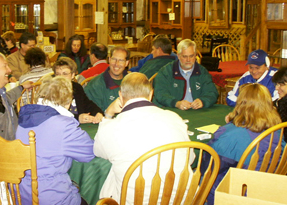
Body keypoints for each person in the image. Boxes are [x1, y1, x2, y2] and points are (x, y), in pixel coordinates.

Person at [94, 73, 193, 204]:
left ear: (120, 96)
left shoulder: (112, 127)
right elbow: (190, 158)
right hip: (183, 200)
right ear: (151, 94)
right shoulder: (174, 117)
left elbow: (98, 152)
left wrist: (108, 114)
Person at [16, 76, 94, 205]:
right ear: (68, 100)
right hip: (50, 196)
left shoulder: (23, 121)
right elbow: (89, 153)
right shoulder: (64, 125)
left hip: (21, 194)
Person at [202, 83, 283, 205]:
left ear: (240, 104)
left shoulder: (230, 135)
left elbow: (209, 167)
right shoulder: (277, 130)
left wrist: (230, 126)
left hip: (237, 192)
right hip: (268, 186)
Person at [153, 39, 218, 110]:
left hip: (197, 111)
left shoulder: (202, 71)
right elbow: (160, 94)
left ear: (195, 55)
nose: (188, 60)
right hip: (172, 110)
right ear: (178, 56)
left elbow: (212, 92)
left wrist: (202, 101)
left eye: (191, 56)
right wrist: (176, 103)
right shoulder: (166, 71)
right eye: (185, 56)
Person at [53, 57, 103, 123]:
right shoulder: (51, 91)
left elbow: (87, 104)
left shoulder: (76, 87)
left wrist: (98, 113)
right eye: (58, 74)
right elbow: (55, 115)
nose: (61, 77)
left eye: (65, 74)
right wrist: (78, 118)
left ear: (73, 75)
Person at [84, 46, 130, 111]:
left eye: (121, 60)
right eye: (114, 59)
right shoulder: (95, 86)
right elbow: (93, 116)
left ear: (127, 63)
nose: (116, 64)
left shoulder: (133, 84)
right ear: (109, 59)